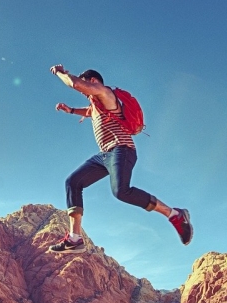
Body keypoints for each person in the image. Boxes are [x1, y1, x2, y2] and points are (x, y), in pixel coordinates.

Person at [47, 64, 192, 253]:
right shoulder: (96, 104)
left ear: (92, 81)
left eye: (86, 84)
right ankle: (75, 239)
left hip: (122, 149)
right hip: (104, 155)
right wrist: (71, 110)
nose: (85, 91)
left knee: (121, 191)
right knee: (73, 182)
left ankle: (175, 214)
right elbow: (89, 111)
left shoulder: (105, 92)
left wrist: (61, 73)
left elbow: (75, 84)